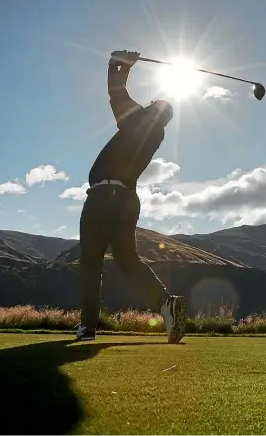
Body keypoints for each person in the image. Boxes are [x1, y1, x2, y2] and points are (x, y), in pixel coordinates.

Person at [75, 50, 186, 343]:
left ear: (152, 109)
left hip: (103, 197)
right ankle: (165, 303)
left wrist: (119, 64)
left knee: (91, 261)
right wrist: (122, 64)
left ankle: (87, 327)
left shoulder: (139, 121)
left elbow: (116, 92)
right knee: (127, 260)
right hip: (126, 200)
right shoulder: (155, 133)